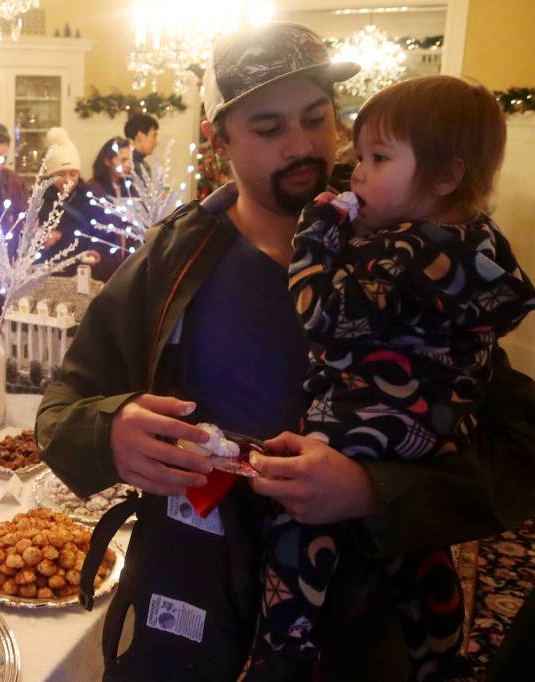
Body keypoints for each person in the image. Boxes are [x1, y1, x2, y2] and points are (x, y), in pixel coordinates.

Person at [36, 22, 535, 682]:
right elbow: (63, 406)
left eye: (316, 117)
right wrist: (112, 432)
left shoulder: (415, 259)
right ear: (220, 140)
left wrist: (369, 490)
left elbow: (519, 442)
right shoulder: (176, 258)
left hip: (355, 623)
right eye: (269, 128)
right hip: (193, 599)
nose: (303, 145)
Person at [251, 76, 535, 681]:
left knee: (297, 506)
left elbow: (321, 313)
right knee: (414, 545)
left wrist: (318, 231)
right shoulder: (481, 241)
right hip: (447, 417)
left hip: (379, 413)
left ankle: (285, 640)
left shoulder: (398, 251)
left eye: (378, 159)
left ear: (443, 177)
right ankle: (436, 647)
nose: (355, 172)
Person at [38, 127, 100, 275]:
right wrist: (41, 239)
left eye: (73, 174)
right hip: (49, 270)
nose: (68, 180)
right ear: (50, 175)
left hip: (82, 268)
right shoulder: (39, 200)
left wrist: (94, 250)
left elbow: (97, 231)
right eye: (60, 174)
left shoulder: (88, 197)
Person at [87, 136, 136, 281]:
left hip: (126, 266)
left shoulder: (130, 189)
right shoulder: (94, 190)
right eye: (123, 160)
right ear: (107, 160)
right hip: (101, 266)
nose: (128, 165)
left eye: (130, 160)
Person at [124, 113, 159, 179]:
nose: (156, 142)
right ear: (141, 136)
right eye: (154, 136)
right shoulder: (128, 166)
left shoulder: (143, 165)